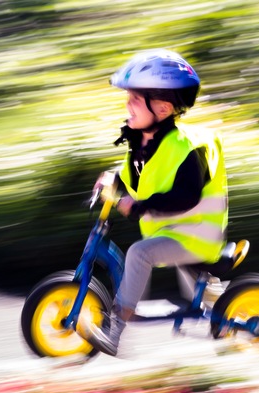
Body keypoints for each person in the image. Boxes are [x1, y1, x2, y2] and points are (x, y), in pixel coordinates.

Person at [82, 49, 228, 356]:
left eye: (135, 99)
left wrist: (139, 207)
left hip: (197, 233)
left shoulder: (187, 148)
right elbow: (134, 175)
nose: (127, 105)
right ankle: (225, 312)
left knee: (139, 254)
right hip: (176, 231)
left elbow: (186, 196)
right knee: (200, 292)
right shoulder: (143, 143)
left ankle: (114, 330)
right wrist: (112, 180)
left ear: (161, 108)